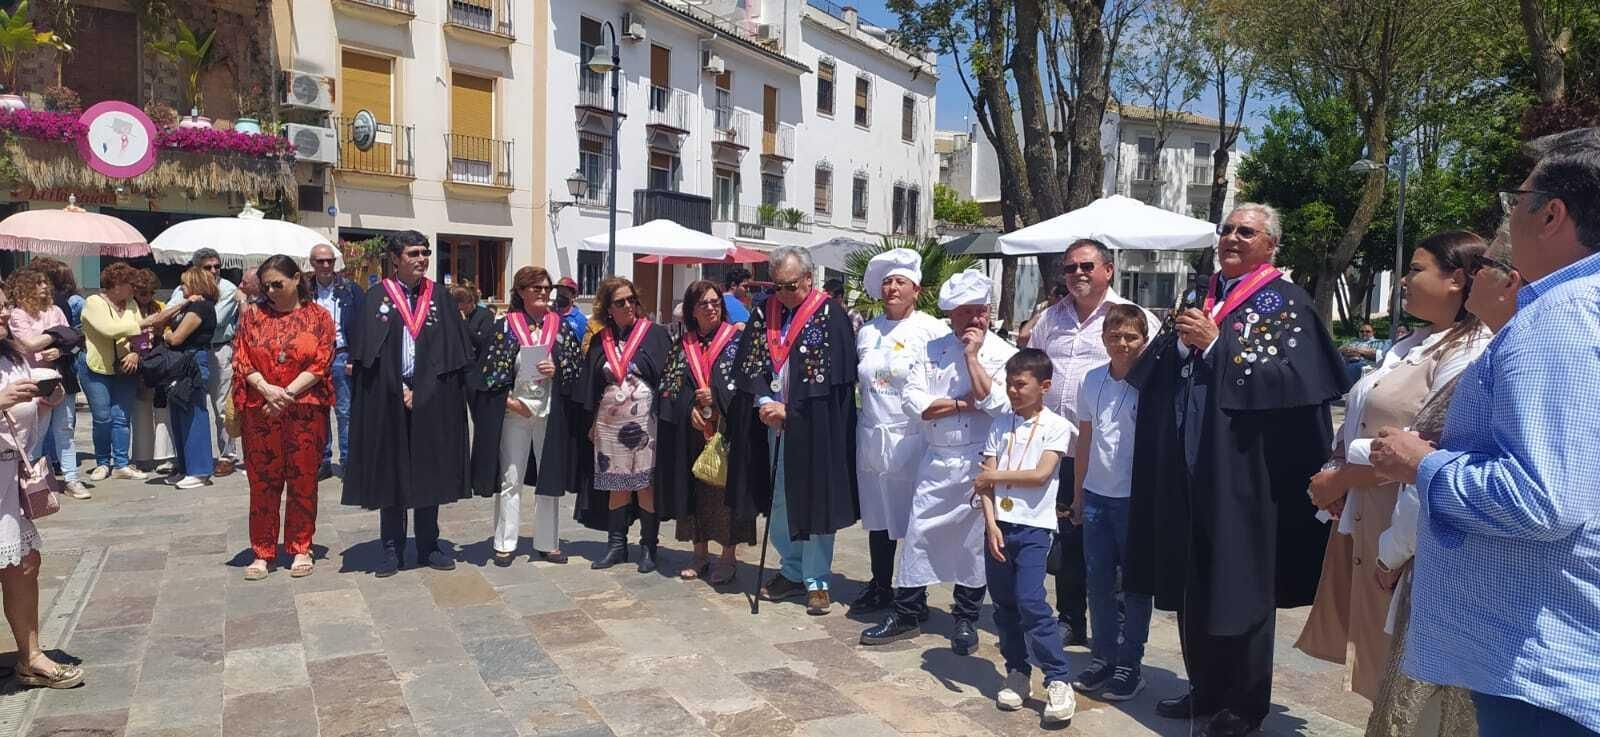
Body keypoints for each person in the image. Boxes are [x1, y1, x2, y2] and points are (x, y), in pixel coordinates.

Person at [1370, 128, 1600, 737]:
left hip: (1543, 666)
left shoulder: (1558, 320)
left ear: (1551, 213)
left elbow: (1544, 500)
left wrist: (1423, 463)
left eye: (1513, 200)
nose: (1505, 221)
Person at [1127, 203, 1347, 737]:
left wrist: (1217, 346)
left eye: (1244, 231)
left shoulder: (1286, 303)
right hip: (1188, 467)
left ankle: (1243, 706)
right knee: (1194, 582)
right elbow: (1161, 370)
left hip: (1245, 475)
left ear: (1270, 244)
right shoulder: (1202, 295)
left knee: (1239, 585)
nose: (1230, 238)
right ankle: (1204, 688)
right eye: (1226, 229)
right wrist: (1181, 347)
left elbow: (1292, 381)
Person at [1296, 231, 1492, 701]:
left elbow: (1427, 449)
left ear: (1456, 280)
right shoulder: (1416, 342)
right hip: (1367, 516)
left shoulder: (1468, 352)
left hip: (1405, 528)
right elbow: (1365, 420)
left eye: (1417, 269)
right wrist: (1338, 473)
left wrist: (1343, 476)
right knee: (1373, 666)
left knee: (1403, 677)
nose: (1404, 280)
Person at [1364, 225, 1517, 737]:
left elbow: (1433, 469)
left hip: (1455, 571)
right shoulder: (1497, 350)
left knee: (1423, 714)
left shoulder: (1485, 357)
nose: (1480, 278)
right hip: (1463, 573)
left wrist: (1391, 549)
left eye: (1489, 268)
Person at [860, 268, 1012, 652]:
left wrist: (974, 359)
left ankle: (965, 617)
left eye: (981, 311)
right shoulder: (931, 350)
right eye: (966, 313)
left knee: (973, 544)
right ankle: (908, 609)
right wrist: (964, 403)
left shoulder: (1004, 354)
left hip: (981, 460)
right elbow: (915, 403)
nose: (975, 320)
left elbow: (999, 404)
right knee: (919, 534)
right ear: (951, 315)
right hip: (937, 457)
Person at [1027, 239, 1159, 646]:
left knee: (1117, 545)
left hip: (1116, 457)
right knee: (1069, 541)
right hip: (1061, 450)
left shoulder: (1137, 320)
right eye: (1070, 268)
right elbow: (1033, 371)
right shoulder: (1050, 319)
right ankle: (1071, 618)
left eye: (1087, 266)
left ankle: (1117, 626)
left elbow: (1155, 384)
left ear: (1108, 270)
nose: (1078, 274)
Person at [726, 246, 859, 615]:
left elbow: (835, 382)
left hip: (815, 425)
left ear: (808, 278)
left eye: (790, 286)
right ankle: (791, 568)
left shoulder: (831, 316)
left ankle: (817, 580)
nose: (782, 293)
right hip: (773, 421)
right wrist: (764, 402)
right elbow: (749, 363)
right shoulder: (763, 312)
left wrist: (793, 410)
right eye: (777, 285)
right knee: (781, 496)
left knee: (815, 498)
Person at [342, 230, 472, 576]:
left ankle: (428, 545)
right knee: (391, 472)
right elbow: (370, 354)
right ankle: (391, 548)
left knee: (430, 470)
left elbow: (451, 355)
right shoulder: (375, 298)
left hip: (433, 398)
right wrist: (398, 387)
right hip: (388, 397)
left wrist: (422, 390)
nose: (421, 259)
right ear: (396, 258)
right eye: (413, 253)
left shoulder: (441, 298)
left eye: (425, 252)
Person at [974, 348, 1077, 725]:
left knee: (1031, 600)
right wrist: (990, 524)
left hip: (1034, 527)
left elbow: (1039, 474)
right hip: (998, 526)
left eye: (1020, 384)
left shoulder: (1056, 426)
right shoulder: (1001, 424)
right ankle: (1017, 671)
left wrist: (991, 477)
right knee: (1004, 605)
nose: (1013, 392)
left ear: (1043, 386)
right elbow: (983, 482)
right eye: (1009, 384)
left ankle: (1058, 677)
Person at [849, 249, 949, 612]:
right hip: (872, 434)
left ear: (916, 290)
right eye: (888, 282)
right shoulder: (868, 331)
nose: (892, 288)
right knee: (878, 517)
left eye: (900, 282)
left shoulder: (933, 330)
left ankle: (914, 594)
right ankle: (879, 584)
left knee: (912, 520)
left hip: (913, 437)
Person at [1069, 304, 1155, 701]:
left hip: (1136, 500)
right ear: (1103, 337)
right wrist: (1078, 491)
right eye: (1114, 335)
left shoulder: (1151, 382)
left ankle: (1129, 664)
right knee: (1098, 582)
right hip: (1097, 497)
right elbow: (1085, 437)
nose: (1121, 343)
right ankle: (1103, 655)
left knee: (1135, 587)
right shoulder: (1091, 380)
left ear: (1144, 340)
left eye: (1131, 337)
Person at [0, 286, 83, 689]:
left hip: (10, 474)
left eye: (4, 309)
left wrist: (48, 391)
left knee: (24, 564)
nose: (4, 317)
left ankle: (30, 657)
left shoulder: (11, 353)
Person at [234, 256, 335, 579]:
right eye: (266, 286)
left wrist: (286, 394)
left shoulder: (318, 317)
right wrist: (267, 390)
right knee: (262, 483)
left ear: (296, 279)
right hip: (261, 413)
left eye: (278, 284)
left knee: (303, 480)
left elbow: (320, 363)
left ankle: (300, 546)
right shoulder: (252, 316)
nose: (272, 291)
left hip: (305, 411)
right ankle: (262, 551)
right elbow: (241, 358)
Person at [656, 280, 754, 583]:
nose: (711, 308)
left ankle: (728, 556)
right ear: (691, 310)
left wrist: (718, 395)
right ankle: (699, 554)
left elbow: (750, 382)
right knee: (695, 490)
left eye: (715, 302)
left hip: (729, 430)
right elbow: (668, 386)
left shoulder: (737, 341)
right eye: (703, 304)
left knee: (726, 492)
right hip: (694, 433)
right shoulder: (682, 345)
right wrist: (689, 410)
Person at [573, 277, 671, 571]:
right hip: (609, 425)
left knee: (643, 484)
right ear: (608, 308)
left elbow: (666, 375)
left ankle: (649, 548)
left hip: (644, 424)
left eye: (631, 300)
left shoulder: (654, 334)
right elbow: (590, 382)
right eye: (620, 302)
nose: (628, 305)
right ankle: (616, 546)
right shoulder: (601, 339)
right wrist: (590, 422)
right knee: (617, 484)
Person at [478, 267, 572, 565]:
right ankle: (505, 542)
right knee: (511, 478)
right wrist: (508, 401)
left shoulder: (562, 327)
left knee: (549, 477)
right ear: (520, 292)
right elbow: (488, 374)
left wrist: (557, 372)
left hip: (548, 414)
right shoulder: (504, 327)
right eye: (536, 288)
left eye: (547, 288)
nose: (544, 293)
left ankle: (548, 541)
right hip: (515, 412)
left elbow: (575, 371)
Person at [5, 269, 86, 499]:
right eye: (38, 282)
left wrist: (59, 347)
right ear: (25, 287)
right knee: (36, 432)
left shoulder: (57, 310)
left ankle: (71, 478)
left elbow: (75, 340)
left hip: (62, 375)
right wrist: (58, 333)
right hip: (36, 379)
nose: (44, 286)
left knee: (65, 428)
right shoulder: (18, 314)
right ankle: (33, 480)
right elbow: (28, 345)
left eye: (44, 282)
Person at [171, 248, 241, 477]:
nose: (214, 271)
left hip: (218, 349)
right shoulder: (183, 287)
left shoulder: (228, 289)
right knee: (191, 404)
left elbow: (212, 318)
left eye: (217, 266)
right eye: (207, 267)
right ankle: (189, 455)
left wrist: (186, 310)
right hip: (190, 352)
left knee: (222, 407)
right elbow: (171, 313)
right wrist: (185, 307)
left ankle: (227, 455)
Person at [78, 263, 151, 482]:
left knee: (121, 417)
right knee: (103, 418)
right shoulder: (93, 302)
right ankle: (102, 462)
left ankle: (121, 463)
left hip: (125, 366)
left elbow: (143, 334)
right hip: (96, 367)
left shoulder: (131, 303)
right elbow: (109, 329)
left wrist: (136, 353)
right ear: (116, 285)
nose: (134, 290)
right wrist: (143, 323)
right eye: (130, 285)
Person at [162, 266, 221, 489]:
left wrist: (166, 334)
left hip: (193, 362)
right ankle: (185, 466)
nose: (182, 287)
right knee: (179, 413)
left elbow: (176, 338)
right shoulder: (189, 305)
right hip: (181, 363)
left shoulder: (200, 307)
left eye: (185, 283)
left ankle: (200, 469)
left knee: (194, 413)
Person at [308, 243, 362, 480]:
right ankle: (323, 459)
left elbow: (363, 326)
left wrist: (354, 357)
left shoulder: (350, 289)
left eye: (330, 260)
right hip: (313, 357)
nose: (326, 265)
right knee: (318, 410)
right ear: (312, 263)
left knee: (345, 410)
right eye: (321, 261)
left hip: (341, 354)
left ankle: (350, 460)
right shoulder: (303, 289)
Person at [453, 279, 501, 499]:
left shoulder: (484, 316)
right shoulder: (453, 316)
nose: (460, 308)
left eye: (462, 304)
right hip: (457, 373)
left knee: (480, 424)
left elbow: (483, 343)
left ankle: (481, 477)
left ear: (471, 302)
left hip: (476, 374)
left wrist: (463, 325)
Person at [130, 269, 179, 475]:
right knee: (140, 408)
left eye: (151, 292)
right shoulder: (128, 309)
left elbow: (169, 328)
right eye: (143, 293)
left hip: (158, 362)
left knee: (162, 408)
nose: (147, 297)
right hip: (136, 362)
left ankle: (164, 457)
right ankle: (142, 456)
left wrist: (165, 331)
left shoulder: (160, 307)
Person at [1016, 283, 1068, 347]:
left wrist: (1037, 316)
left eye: (1051, 295)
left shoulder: (1049, 317)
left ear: (1060, 298)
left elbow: (1022, 337)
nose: (1048, 297)